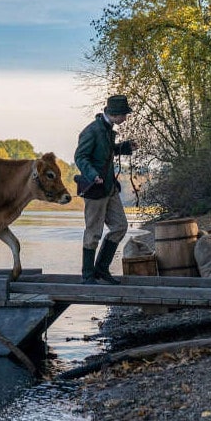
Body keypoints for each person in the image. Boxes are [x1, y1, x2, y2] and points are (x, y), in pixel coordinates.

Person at [74, 94, 137, 284]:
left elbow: (106, 151)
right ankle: (87, 275)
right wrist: (92, 174)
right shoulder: (91, 131)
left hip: (109, 188)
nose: (125, 118)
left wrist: (124, 147)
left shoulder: (107, 129)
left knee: (120, 227)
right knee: (93, 232)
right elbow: (80, 157)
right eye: (124, 114)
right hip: (95, 189)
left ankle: (101, 270)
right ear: (115, 114)